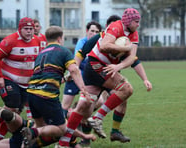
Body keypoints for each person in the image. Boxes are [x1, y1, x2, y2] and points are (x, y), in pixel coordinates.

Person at [57, 8, 148, 147]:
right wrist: (125, 48)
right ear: (128, 21)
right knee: (127, 89)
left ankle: (63, 143)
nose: (138, 24)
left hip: (104, 68)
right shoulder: (115, 27)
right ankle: (97, 118)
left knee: (83, 106)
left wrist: (119, 66)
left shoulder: (134, 34)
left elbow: (132, 58)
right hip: (96, 65)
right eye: (136, 21)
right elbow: (104, 46)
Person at [20, 25, 91, 148]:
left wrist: (63, 78)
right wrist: (84, 90)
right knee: (61, 129)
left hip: (31, 94)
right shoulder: (63, 51)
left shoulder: (41, 53)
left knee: (41, 127)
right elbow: (74, 70)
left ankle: (27, 141)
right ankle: (32, 132)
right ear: (60, 38)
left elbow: (43, 75)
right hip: (47, 95)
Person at [0, 17, 41, 144]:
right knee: (12, 105)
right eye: (26, 29)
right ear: (20, 29)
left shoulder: (37, 41)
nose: (29, 31)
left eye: (31, 29)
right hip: (9, 79)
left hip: (26, 83)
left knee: (15, 111)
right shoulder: (10, 41)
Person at [61, 21, 101, 146]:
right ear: (87, 31)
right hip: (76, 77)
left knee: (94, 104)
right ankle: (63, 133)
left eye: (96, 32)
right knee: (65, 106)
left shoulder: (100, 43)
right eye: (92, 31)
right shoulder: (82, 43)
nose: (94, 33)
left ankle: (82, 133)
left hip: (90, 81)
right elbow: (81, 62)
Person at [0, 105, 96, 148]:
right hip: (25, 127)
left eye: (79, 118)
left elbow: (74, 144)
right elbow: (67, 127)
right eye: (76, 114)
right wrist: (84, 136)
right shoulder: (59, 113)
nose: (77, 118)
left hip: (31, 144)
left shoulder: (72, 133)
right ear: (71, 110)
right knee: (8, 115)